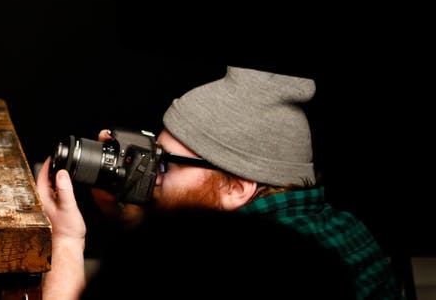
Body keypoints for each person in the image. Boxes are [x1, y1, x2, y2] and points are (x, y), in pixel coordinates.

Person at [35, 66, 406, 300]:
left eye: (166, 164)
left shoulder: (233, 269)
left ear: (236, 187)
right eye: (152, 154)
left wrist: (66, 239)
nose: (151, 175)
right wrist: (122, 211)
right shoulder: (341, 229)